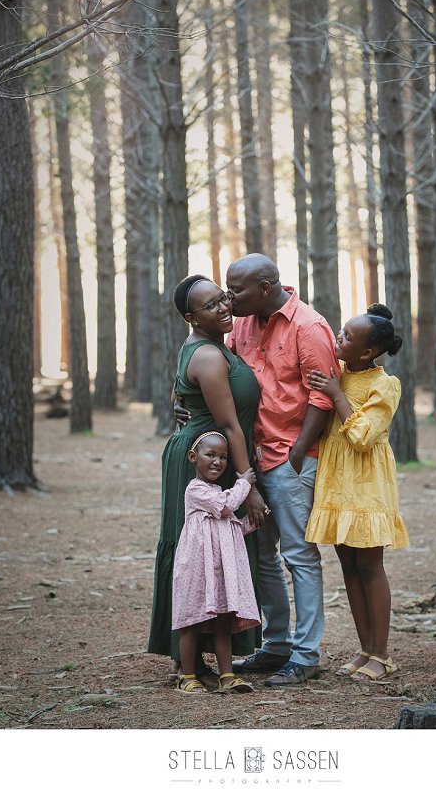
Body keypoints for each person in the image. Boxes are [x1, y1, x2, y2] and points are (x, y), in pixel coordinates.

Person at [225, 254, 341, 686]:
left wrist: (296, 455)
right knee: (263, 556)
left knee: (299, 556)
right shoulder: (242, 324)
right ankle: (276, 646)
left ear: (268, 285)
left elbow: (323, 398)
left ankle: (307, 655)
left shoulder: (308, 327)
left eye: (236, 289)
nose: (228, 296)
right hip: (251, 462)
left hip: (289, 460)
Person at [147, 275, 267, 686]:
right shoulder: (210, 356)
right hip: (206, 463)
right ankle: (188, 663)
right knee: (194, 556)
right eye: (211, 305)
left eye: (224, 298)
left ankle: (196, 660)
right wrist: (248, 487)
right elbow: (231, 425)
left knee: (211, 555)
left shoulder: (211, 345)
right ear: (190, 316)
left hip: (208, 454)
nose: (224, 307)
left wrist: (178, 401)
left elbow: (185, 392)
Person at [305, 303, 410, 682]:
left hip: (367, 485)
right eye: (341, 331)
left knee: (369, 566)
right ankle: (365, 649)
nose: (339, 337)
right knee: (348, 567)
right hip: (336, 483)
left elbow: (365, 436)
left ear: (367, 352)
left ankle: (382, 655)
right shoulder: (337, 374)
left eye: (348, 337)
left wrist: (336, 394)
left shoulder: (385, 384)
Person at [173, 429, 260, 694]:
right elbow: (227, 505)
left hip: (220, 571)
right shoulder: (197, 490)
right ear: (193, 457)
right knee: (192, 622)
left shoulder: (216, 493)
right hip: (198, 570)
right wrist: (245, 482)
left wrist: (251, 523)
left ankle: (227, 675)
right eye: (210, 454)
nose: (218, 461)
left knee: (224, 621)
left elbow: (228, 526)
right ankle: (187, 676)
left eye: (223, 457)